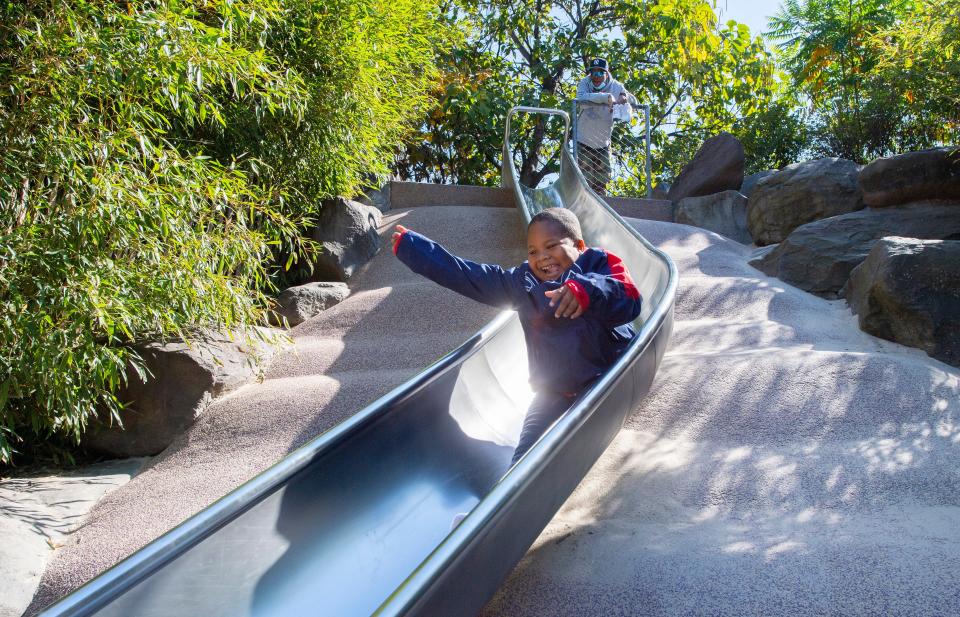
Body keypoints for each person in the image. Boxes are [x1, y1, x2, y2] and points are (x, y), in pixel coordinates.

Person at [392, 208, 642, 468]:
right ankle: (503, 502)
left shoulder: (599, 262)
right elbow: (469, 277)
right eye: (532, 251)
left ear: (579, 245)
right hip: (555, 388)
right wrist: (415, 249)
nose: (542, 257)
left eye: (551, 246)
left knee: (577, 440)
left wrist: (586, 290)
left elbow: (630, 299)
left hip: (606, 372)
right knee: (523, 457)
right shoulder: (522, 282)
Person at [575, 58, 634, 195]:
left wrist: (624, 97)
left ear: (607, 73)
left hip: (603, 142)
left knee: (602, 181)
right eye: (593, 73)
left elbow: (632, 100)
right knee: (584, 181)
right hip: (583, 141)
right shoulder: (584, 83)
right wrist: (604, 97)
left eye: (600, 73)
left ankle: (601, 208)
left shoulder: (616, 86)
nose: (596, 77)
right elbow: (582, 100)